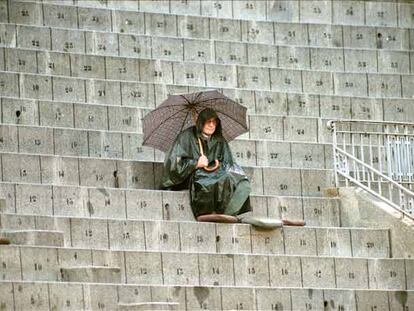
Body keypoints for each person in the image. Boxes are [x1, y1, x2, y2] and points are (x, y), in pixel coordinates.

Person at [161, 108, 251, 221]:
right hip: (193, 175)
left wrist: (221, 166)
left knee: (241, 181)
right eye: (209, 122)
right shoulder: (186, 137)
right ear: (201, 122)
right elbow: (173, 164)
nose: (212, 125)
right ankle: (206, 212)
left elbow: (228, 161)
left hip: (216, 172)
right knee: (210, 179)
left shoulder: (219, 139)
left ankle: (228, 212)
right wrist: (195, 163)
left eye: (215, 122)